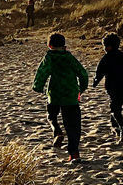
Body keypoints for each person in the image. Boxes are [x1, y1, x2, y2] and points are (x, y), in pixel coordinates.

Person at [33, 32, 89, 161]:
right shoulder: (69, 57)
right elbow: (83, 73)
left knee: (51, 116)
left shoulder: (49, 57)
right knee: (73, 125)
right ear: (64, 45)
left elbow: (42, 72)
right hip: (71, 95)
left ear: (49, 45)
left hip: (55, 94)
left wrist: (38, 87)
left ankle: (57, 130)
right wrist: (81, 89)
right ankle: (74, 154)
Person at [93, 32, 123, 142]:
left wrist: (95, 81)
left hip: (113, 87)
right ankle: (117, 130)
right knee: (115, 107)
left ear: (111, 46)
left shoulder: (106, 58)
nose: (105, 48)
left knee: (115, 110)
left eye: (106, 46)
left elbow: (99, 72)